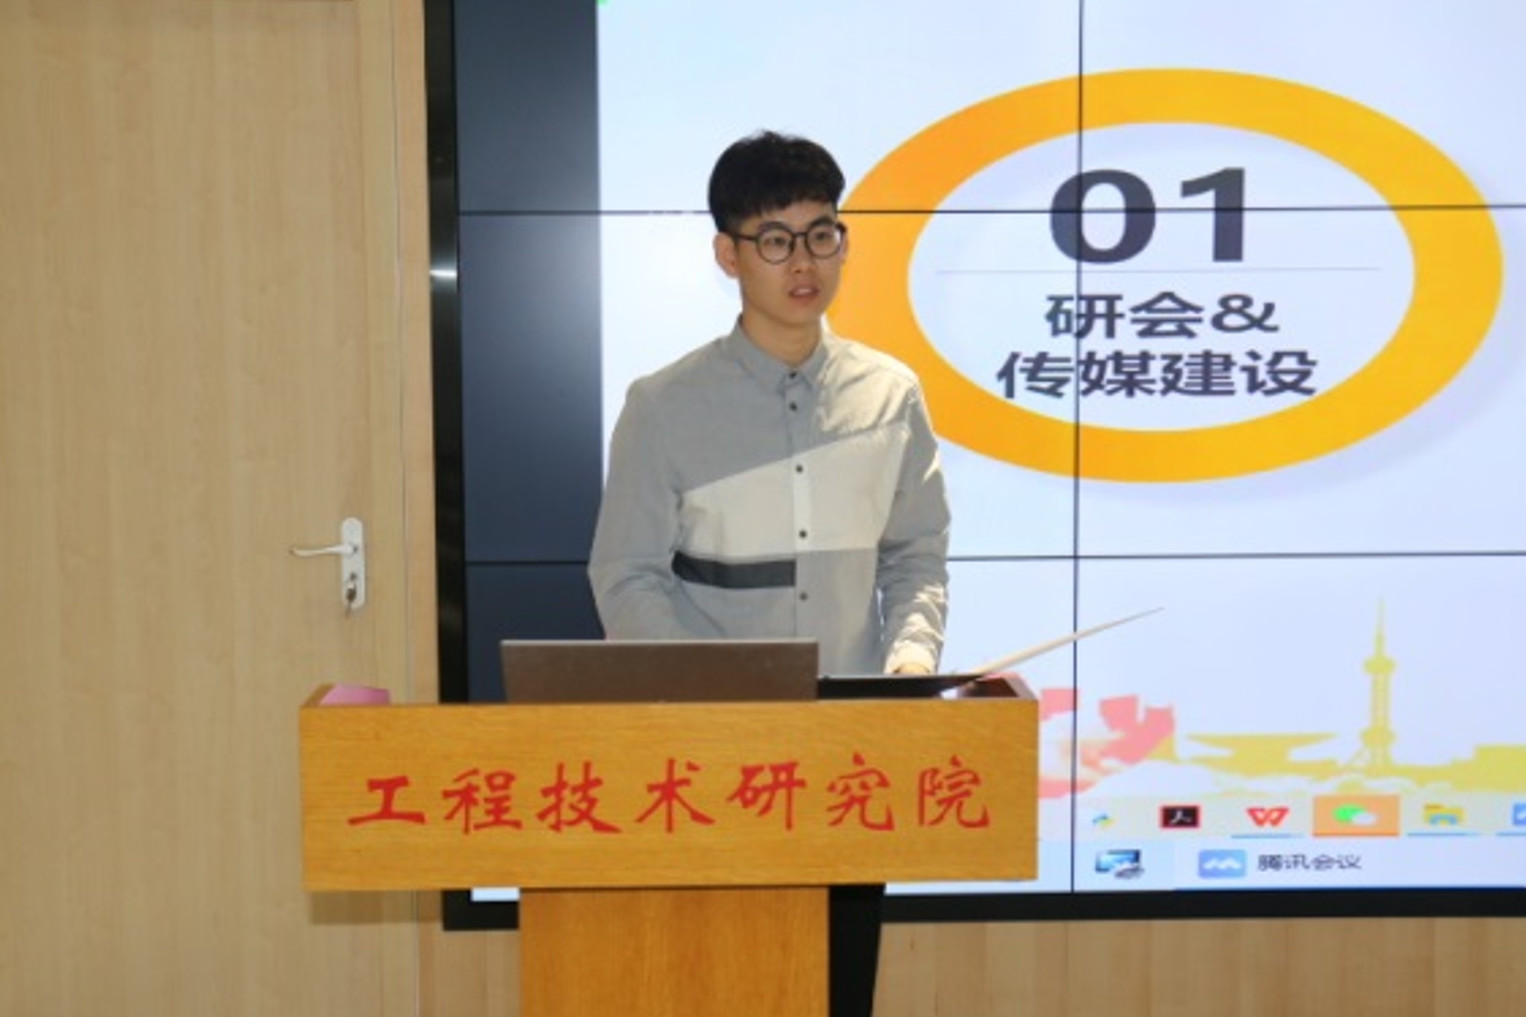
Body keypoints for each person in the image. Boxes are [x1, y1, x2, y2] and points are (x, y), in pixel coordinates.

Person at [587, 129, 951, 1017]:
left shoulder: (891, 393)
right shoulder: (664, 406)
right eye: (776, 239)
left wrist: (910, 662)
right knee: (721, 986)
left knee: (840, 987)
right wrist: (714, 689)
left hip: (850, 755)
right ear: (729, 254)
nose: (804, 261)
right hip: (715, 758)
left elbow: (916, 555)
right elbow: (626, 575)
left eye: (823, 234)